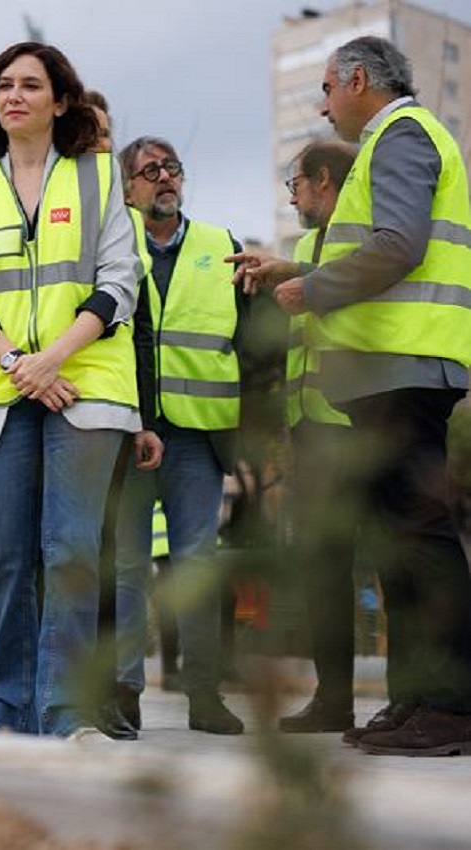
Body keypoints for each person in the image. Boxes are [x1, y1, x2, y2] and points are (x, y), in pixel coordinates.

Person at [250, 36, 471, 756]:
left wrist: (311, 290)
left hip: (407, 362)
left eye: (324, 86)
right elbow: (372, 246)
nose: (321, 102)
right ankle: (416, 699)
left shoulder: (402, 135)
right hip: (387, 369)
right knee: (401, 541)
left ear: (355, 78)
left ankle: (451, 705)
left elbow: (398, 244)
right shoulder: (390, 143)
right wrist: (299, 269)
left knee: (420, 534)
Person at [0, 43, 144, 738]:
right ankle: (7, 705)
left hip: (85, 387)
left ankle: (64, 710)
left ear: (61, 101)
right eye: (3, 85)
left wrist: (53, 359)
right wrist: (19, 361)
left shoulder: (100, 178)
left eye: (31, 84)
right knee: (8, 559)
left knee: (72, 554)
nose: (13, 95)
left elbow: (121, 281)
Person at [112, 135, 249, 735]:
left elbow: (252, 338)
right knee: (127, 567)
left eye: (172, 168)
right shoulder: (114, 251)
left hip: (199, 434)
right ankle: (124, 693)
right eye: (150, 171)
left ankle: (204, 696)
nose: (164, 178)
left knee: (196, 566)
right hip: (130, 432)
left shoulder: (223, 247)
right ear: (128, 189)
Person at [230, 139, 359, 732]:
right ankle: (335, 699)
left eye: (296, 182)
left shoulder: (364, 236)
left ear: (324, 181)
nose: (292, 194)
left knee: (392, 557)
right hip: (312, 425)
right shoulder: (309, 244)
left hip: (359, 421)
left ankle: (426, 696)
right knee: (324, 567)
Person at [85, 89, 163, 739]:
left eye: (110, 132)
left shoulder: (121, 215)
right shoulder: (31, 201)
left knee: (106, 557)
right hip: (36, 397)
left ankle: (109, 691)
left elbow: (140, 329)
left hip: (106, 407)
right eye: (93, 131)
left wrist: (144, 415)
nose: (104, 143)